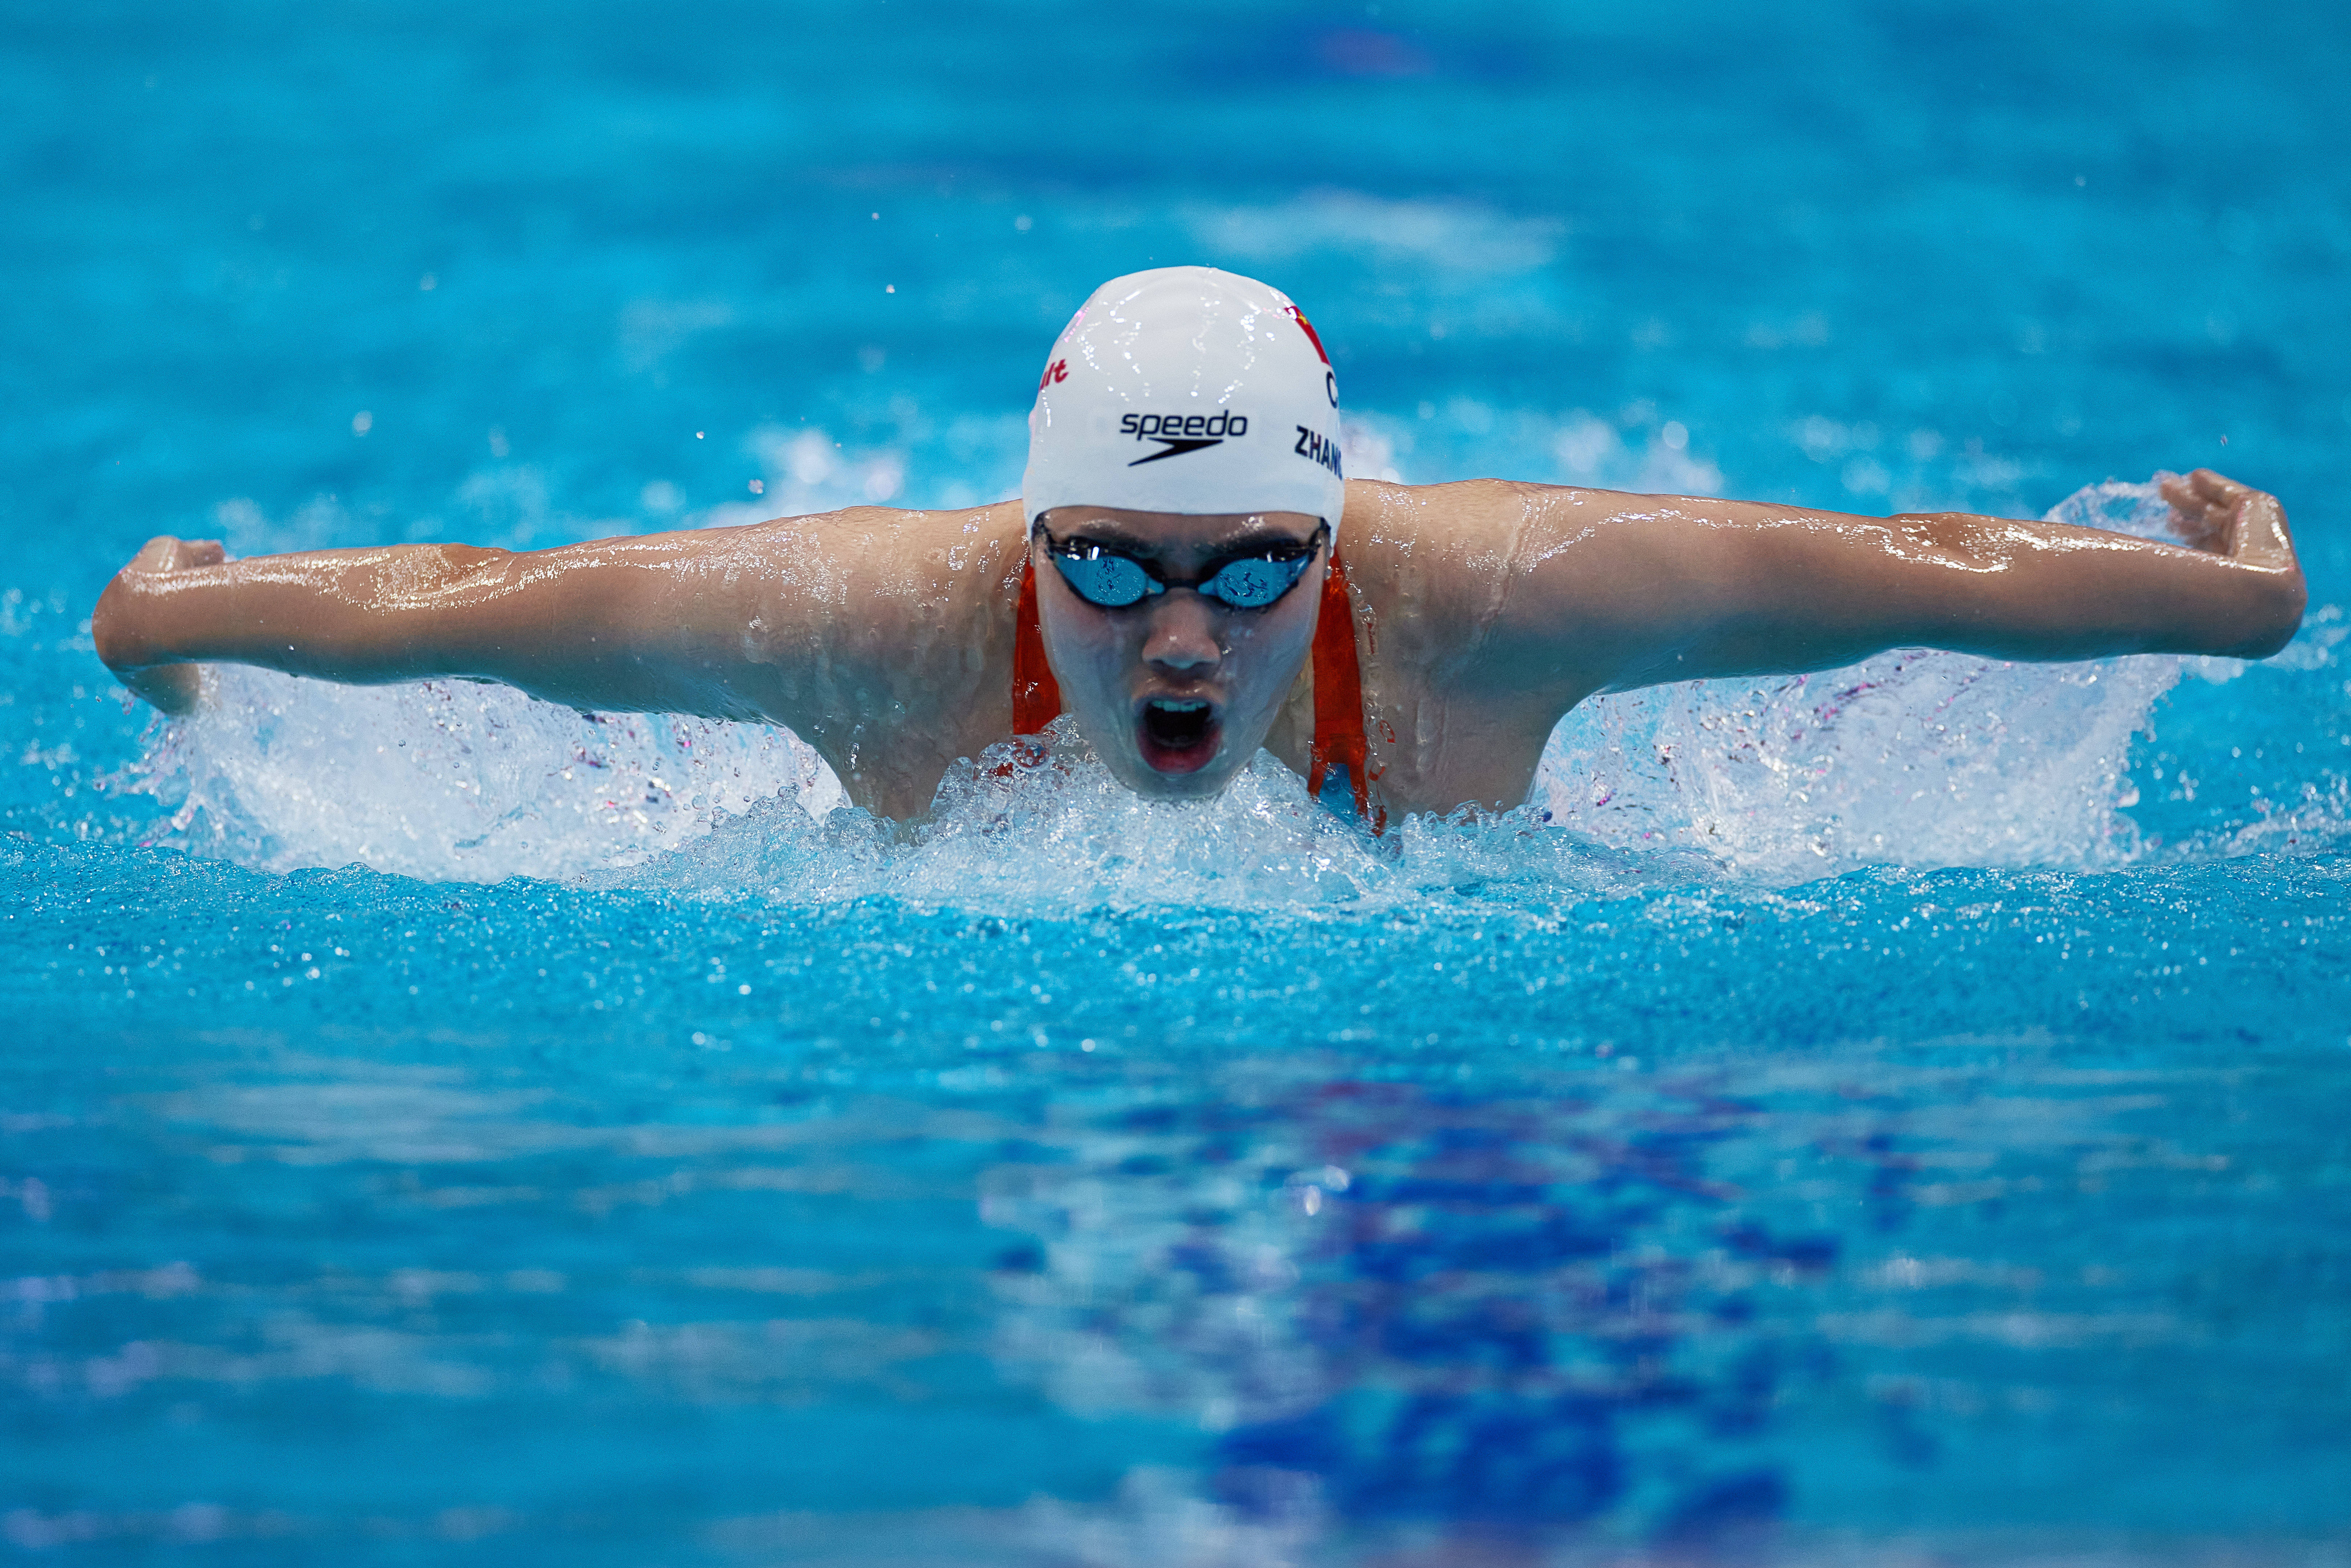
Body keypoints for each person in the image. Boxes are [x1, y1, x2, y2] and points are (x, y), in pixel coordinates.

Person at [93, 267, 2305, 827]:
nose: (1175, 634)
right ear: (1028, 535)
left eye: (1249, 570)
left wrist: (2236, 597)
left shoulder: (1487, 604)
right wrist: (180, 618)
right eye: (1107, 564)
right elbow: (489, 605)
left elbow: (1903, 563)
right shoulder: (874, 626)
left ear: (1329, 548)